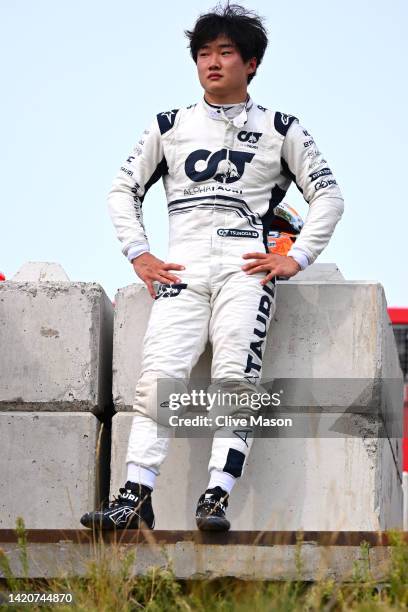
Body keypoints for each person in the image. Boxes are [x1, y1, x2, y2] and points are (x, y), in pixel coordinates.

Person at [80, 3, 344, 532]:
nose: (213, 63)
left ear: (252, 63)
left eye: (226, 52)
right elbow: (120, 190)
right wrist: (140, 253)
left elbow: (329, 196)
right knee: (157, 380)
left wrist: (296, 257)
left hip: (247, 270)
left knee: (235, 380)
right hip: (181, 271)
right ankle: (134, 497)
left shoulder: (281, 127)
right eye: (204, 54)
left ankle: (216, 495)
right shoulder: (170, 125)